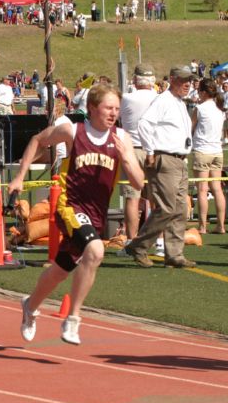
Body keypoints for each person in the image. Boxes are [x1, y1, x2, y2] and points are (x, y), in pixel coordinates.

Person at [11, 84, 143, 345]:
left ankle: (30, 305)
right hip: (69, 206)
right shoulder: (73, 130)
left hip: (96, 214)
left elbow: (139, 183)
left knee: (62, 269)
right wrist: (20, 176)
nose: (113, 113)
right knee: (95, 250)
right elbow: (38, 139)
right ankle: (73, 319)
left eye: (117, 109)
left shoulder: (122, 139)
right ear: (92, 108)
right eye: (108, 107)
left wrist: (127, 158)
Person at [124, 65, 197, 268]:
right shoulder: (164, 100)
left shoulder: (178, 102)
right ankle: (139, 245)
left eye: (189, 81)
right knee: (166, 208)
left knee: (181, 209)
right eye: (183, 81)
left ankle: (174, 254)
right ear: (172, 79)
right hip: (165, 158)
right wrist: (150, 151)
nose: (187, 84)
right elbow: (145, 124)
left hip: (179, 159)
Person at [118, 63, 157, 248]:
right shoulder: (159, 98)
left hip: (131, 149)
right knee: (156, 198)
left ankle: (131, 241)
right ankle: (159, 241)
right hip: (154, 149)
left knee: (132, 198)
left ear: (135, 80)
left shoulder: (126, 98)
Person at [191, 78, 227, 234]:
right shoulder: (220, 110)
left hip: (202, 151)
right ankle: (221, 225)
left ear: (204, 93)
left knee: (202, 190)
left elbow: (189, 128)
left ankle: (202, 226)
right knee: (217, 189)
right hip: (217, 151)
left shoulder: (199, 109)